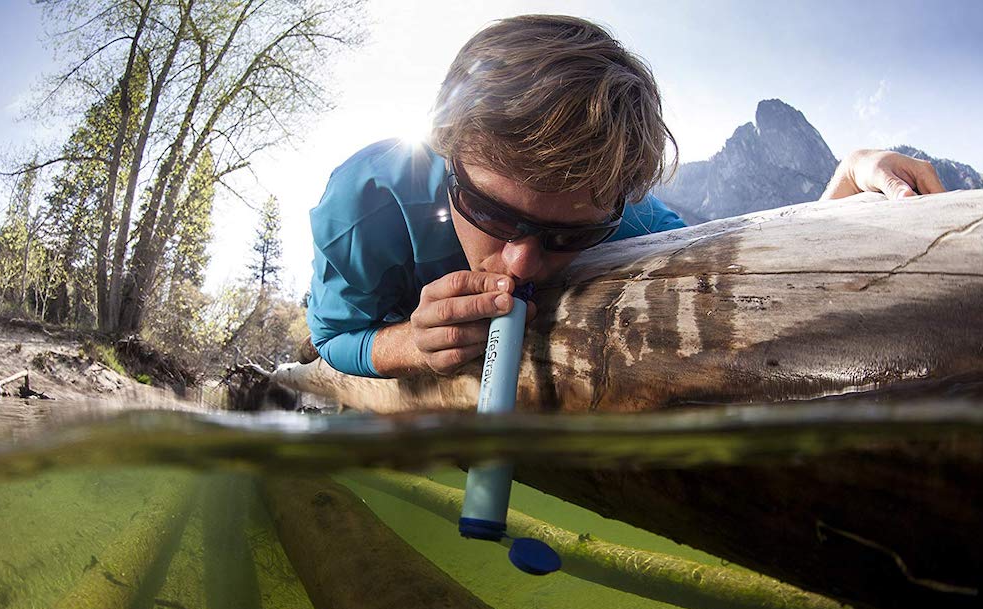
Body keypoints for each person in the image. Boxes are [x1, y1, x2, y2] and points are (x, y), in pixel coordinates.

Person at [306, 15, 945, 379]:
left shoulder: (622, 216)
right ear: (447, 150)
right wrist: (408, 346)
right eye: (494, 214)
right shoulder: (364, 205)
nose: (523, 264)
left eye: (568, 238)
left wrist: (842, 189)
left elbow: (732, 252)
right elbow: (332, 334)